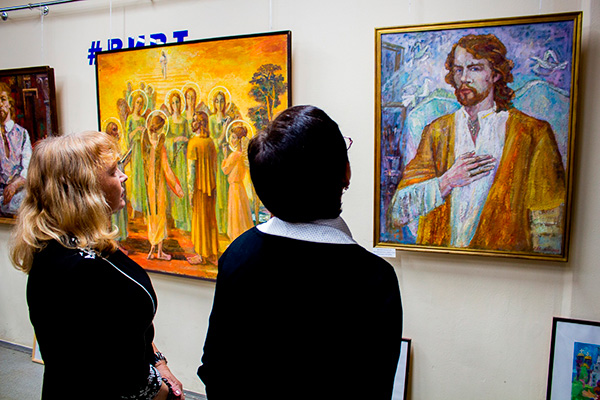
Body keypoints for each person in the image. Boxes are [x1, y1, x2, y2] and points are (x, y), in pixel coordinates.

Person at [197, 105, 403, 399]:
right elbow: (375, 387)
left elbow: (216, 369)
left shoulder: (238, 254)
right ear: (345, 173)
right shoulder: (374, 278)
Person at [10, 131, 184, 399]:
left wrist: (158, 362)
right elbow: (114, 367)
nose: (124, 177)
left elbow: (128, 329)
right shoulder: (78, 269)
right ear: (83, 189)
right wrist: (163, 392)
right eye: (113, 172)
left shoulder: (81, 244)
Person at [388, 34, 566, 254]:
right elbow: (398, 212)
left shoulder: (533, 133)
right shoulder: (436, 131)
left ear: (495, 74)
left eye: (474, 69)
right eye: (458, 70)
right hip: (438, 262)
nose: (464, 78)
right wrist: (447, 181)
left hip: (503, 266)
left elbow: (549, 224)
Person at [143, 113, 184, 261]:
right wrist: (177, 187)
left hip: (149, 185)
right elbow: (167, 169)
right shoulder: (160, 146)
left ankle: (152, 249)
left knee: (152, 215)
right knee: (159, 215)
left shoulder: (145, 143)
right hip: (158, 185)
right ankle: (159, 252)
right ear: (160, 128)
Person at [186, 111, 219, 265]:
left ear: (199, 123)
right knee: (210, 219)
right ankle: (212, 253)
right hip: (210, 186)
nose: (192, 123)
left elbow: (191, 171)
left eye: (194, 120)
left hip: (199, 188)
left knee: (200, 220)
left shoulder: (193, 143)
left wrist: (190, 191)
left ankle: (201, 254)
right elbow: (214, 166)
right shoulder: (210, 142)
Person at [0, 81, 32, 217]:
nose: (0, 104)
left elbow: (28, 166)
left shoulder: (21, 133)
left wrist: (14, 185)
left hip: (19, 193)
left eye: (3, 99)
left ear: (9, 103)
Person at [221, 123, 253, 241]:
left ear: (240, 140)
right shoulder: (243, 155)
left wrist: (225, 155)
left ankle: (235, 238)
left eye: (234, 137)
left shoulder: (234, 155)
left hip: (234, 187)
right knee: (242, 213)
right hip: (240, 187)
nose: (232, 140)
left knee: (236, 214)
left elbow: (225, 170)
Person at [166, 91, 191, 232]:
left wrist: (185, 140)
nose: (176, 105)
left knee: (183, 184)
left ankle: (184, 220)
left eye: (177, 102)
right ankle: (176, 219)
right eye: (173, 102)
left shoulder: (184, 121)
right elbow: (165, 139)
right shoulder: (169, 121)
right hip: (173, 158)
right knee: (174, 184)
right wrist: (174, 140)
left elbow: (189, 137)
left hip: (183, 157)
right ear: (171, 105)